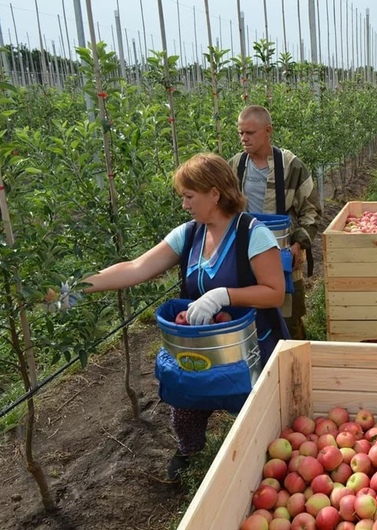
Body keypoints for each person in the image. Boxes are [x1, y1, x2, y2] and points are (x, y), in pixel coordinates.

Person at [53, 153, 289, 480]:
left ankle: (258, 464)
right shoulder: (190, 234)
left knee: (257, 416)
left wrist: (225, 295)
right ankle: (190, 452)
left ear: (215, 194)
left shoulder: (253, 234)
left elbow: (274, 292)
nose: (184, 205)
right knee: (188, 403)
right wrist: (75, 288)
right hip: (201, 344)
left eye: (189, 197)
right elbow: (136, 268)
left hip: (249, 347)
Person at [230, 105, 322, 340]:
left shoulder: (291, 167)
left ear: (267, 130)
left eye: (249, 133)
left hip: (283, 254)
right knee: (249, 316)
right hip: (246, 254)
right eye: (240, 133)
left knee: (288, 318)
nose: (244, 138)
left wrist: (298, 245)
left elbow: (311, 210)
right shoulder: (235, 166)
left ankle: (297, 365)